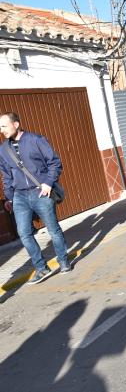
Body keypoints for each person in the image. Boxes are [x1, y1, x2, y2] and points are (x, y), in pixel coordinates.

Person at [0, 112, 71, 284]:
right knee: (24, 233)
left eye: (4, 126)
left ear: (16, 124)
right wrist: (9, 198)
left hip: (41, 192)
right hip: (20, 196)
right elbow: (6, 175)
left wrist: (47, 183)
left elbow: (55, 163)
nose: (1, 130)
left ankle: (63, 261)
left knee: (53, 229)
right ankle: (41, 268)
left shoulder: (36, 140)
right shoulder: (3, 149)